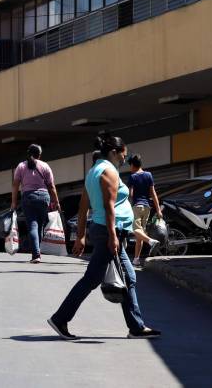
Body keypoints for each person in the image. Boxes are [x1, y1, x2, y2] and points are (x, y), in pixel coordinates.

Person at [48, 135, 160, 340]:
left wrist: (80, 236)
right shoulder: (108, 172)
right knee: (92, 279)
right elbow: (109, 207)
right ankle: (60, 318)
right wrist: (112, 236)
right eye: (123, 155)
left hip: (107, 231)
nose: (125, 159)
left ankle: (136, 327)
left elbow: (83, 207)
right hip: (110, 232)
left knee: (128, 277)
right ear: (114, 152)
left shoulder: (93, 171)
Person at [11, 144, 60, 264]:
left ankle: (36, 254)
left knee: (32, 226)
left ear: (29, 153)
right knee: (40, 226)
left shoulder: (21, 166)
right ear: (39, 154)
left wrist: (13, 203)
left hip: (28, 198)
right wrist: (56, 202)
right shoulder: (45, 166)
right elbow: (51, 186)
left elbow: (15, 185)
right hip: (44, 198)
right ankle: (37, 252)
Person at [127, 154, 163, 266]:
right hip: (147, 207)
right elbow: (153, 193)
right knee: (140, 233)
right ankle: (136, 259)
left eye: (130, 165)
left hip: (137, 206)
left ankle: (151, 241)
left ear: (133, 165)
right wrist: (158, 210)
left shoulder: (132, 177)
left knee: (135, 230)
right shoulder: (148, 175)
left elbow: (130, 195)